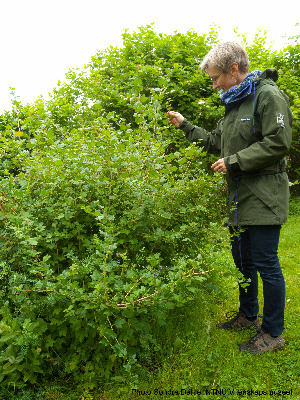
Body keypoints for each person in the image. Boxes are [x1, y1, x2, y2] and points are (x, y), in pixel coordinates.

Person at [167, 41, 292, 354]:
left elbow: (278, 143)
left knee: (266, 263)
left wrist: (234, 162)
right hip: (238, 200)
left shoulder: (266, 95)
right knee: (243, 262)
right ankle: (248, 316)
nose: (213, 85)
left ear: (234, 70)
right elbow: (214, 142)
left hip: (264, 197)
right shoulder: (234, 105)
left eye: (215, 78)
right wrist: (185, 125)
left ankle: (273, 332)